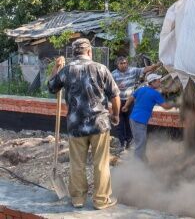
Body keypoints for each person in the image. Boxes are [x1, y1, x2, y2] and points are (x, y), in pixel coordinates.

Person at [48, 38, 121, 210]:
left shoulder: (67, 70)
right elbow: (115, 95)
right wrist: (115, 115)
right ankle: (101, 201)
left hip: (76, 125)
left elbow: (52, 87)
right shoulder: (101, 68)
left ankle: (78, 199)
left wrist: (56, 67)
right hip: (99, 124)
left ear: (74, 53)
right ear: (89, 52)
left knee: (77, 164)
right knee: (101, 163)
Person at [122, 73, 177, 160]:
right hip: (139, 120)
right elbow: (166, 106)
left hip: (133, 118)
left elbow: (131, 97)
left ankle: (143, 161)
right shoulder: (155, 94)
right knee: (140, 143)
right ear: (152, 82)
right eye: (158, 80)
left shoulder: (141, 89)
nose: (160, 82)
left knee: (140, 142)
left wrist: (126, 106)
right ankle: (138, 166)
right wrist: (177, 104)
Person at [111, 56, 160, 150]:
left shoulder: (133, 71)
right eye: (121, 63)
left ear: (127, 63)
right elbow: (109, 87)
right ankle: (122, 143)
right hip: (118, 101)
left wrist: (156, 65)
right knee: (119, 123)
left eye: (125, 63)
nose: (123, 65)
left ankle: (129, 142)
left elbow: (146, 69)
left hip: (130, 101)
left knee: (130, 122)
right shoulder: (113, 74)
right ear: (117, 65)